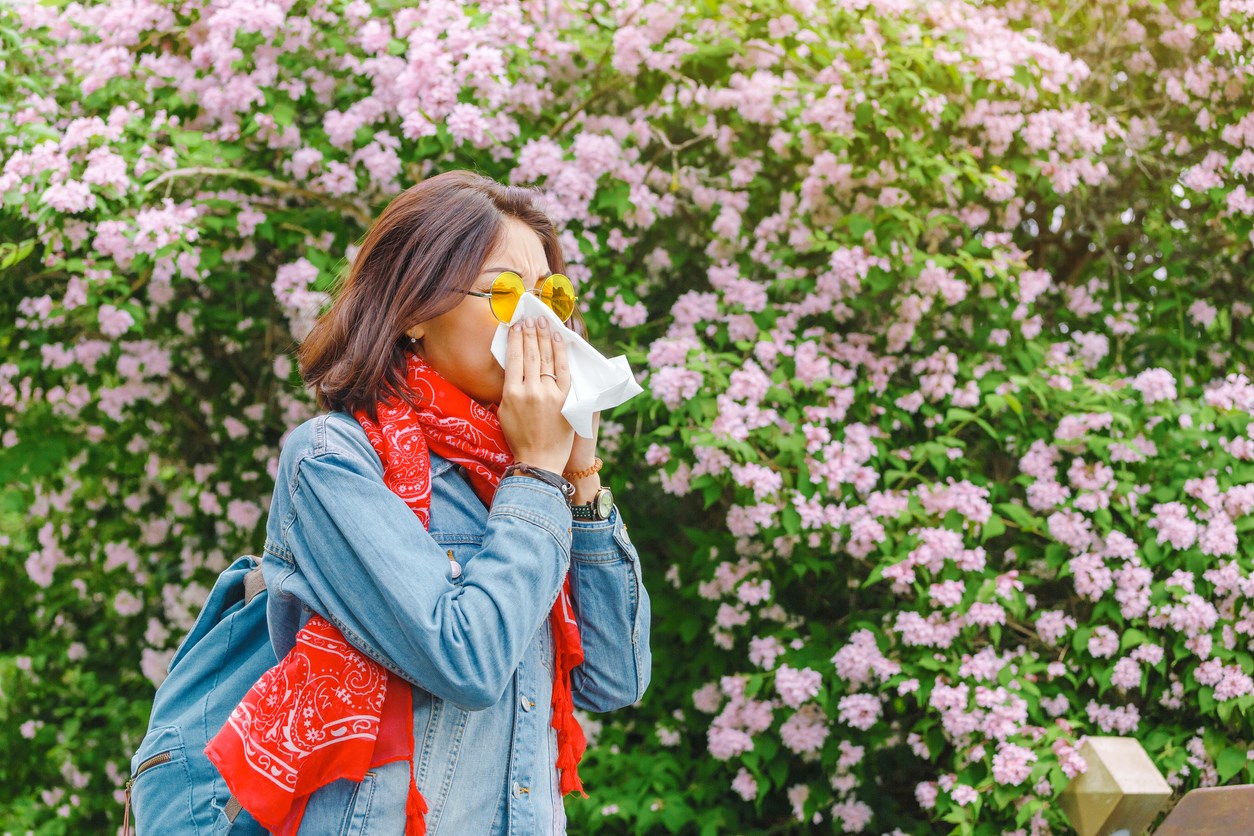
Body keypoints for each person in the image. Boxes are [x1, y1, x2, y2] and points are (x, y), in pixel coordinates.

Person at [206, 170, 652, 835]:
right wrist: (536, 473)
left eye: (549, 296)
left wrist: (579, 475)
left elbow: (615, 680)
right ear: (414, 310)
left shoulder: (523, 474)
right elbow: (464, 661)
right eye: (504, 293)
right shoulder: (335, 460)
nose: (536, 322)